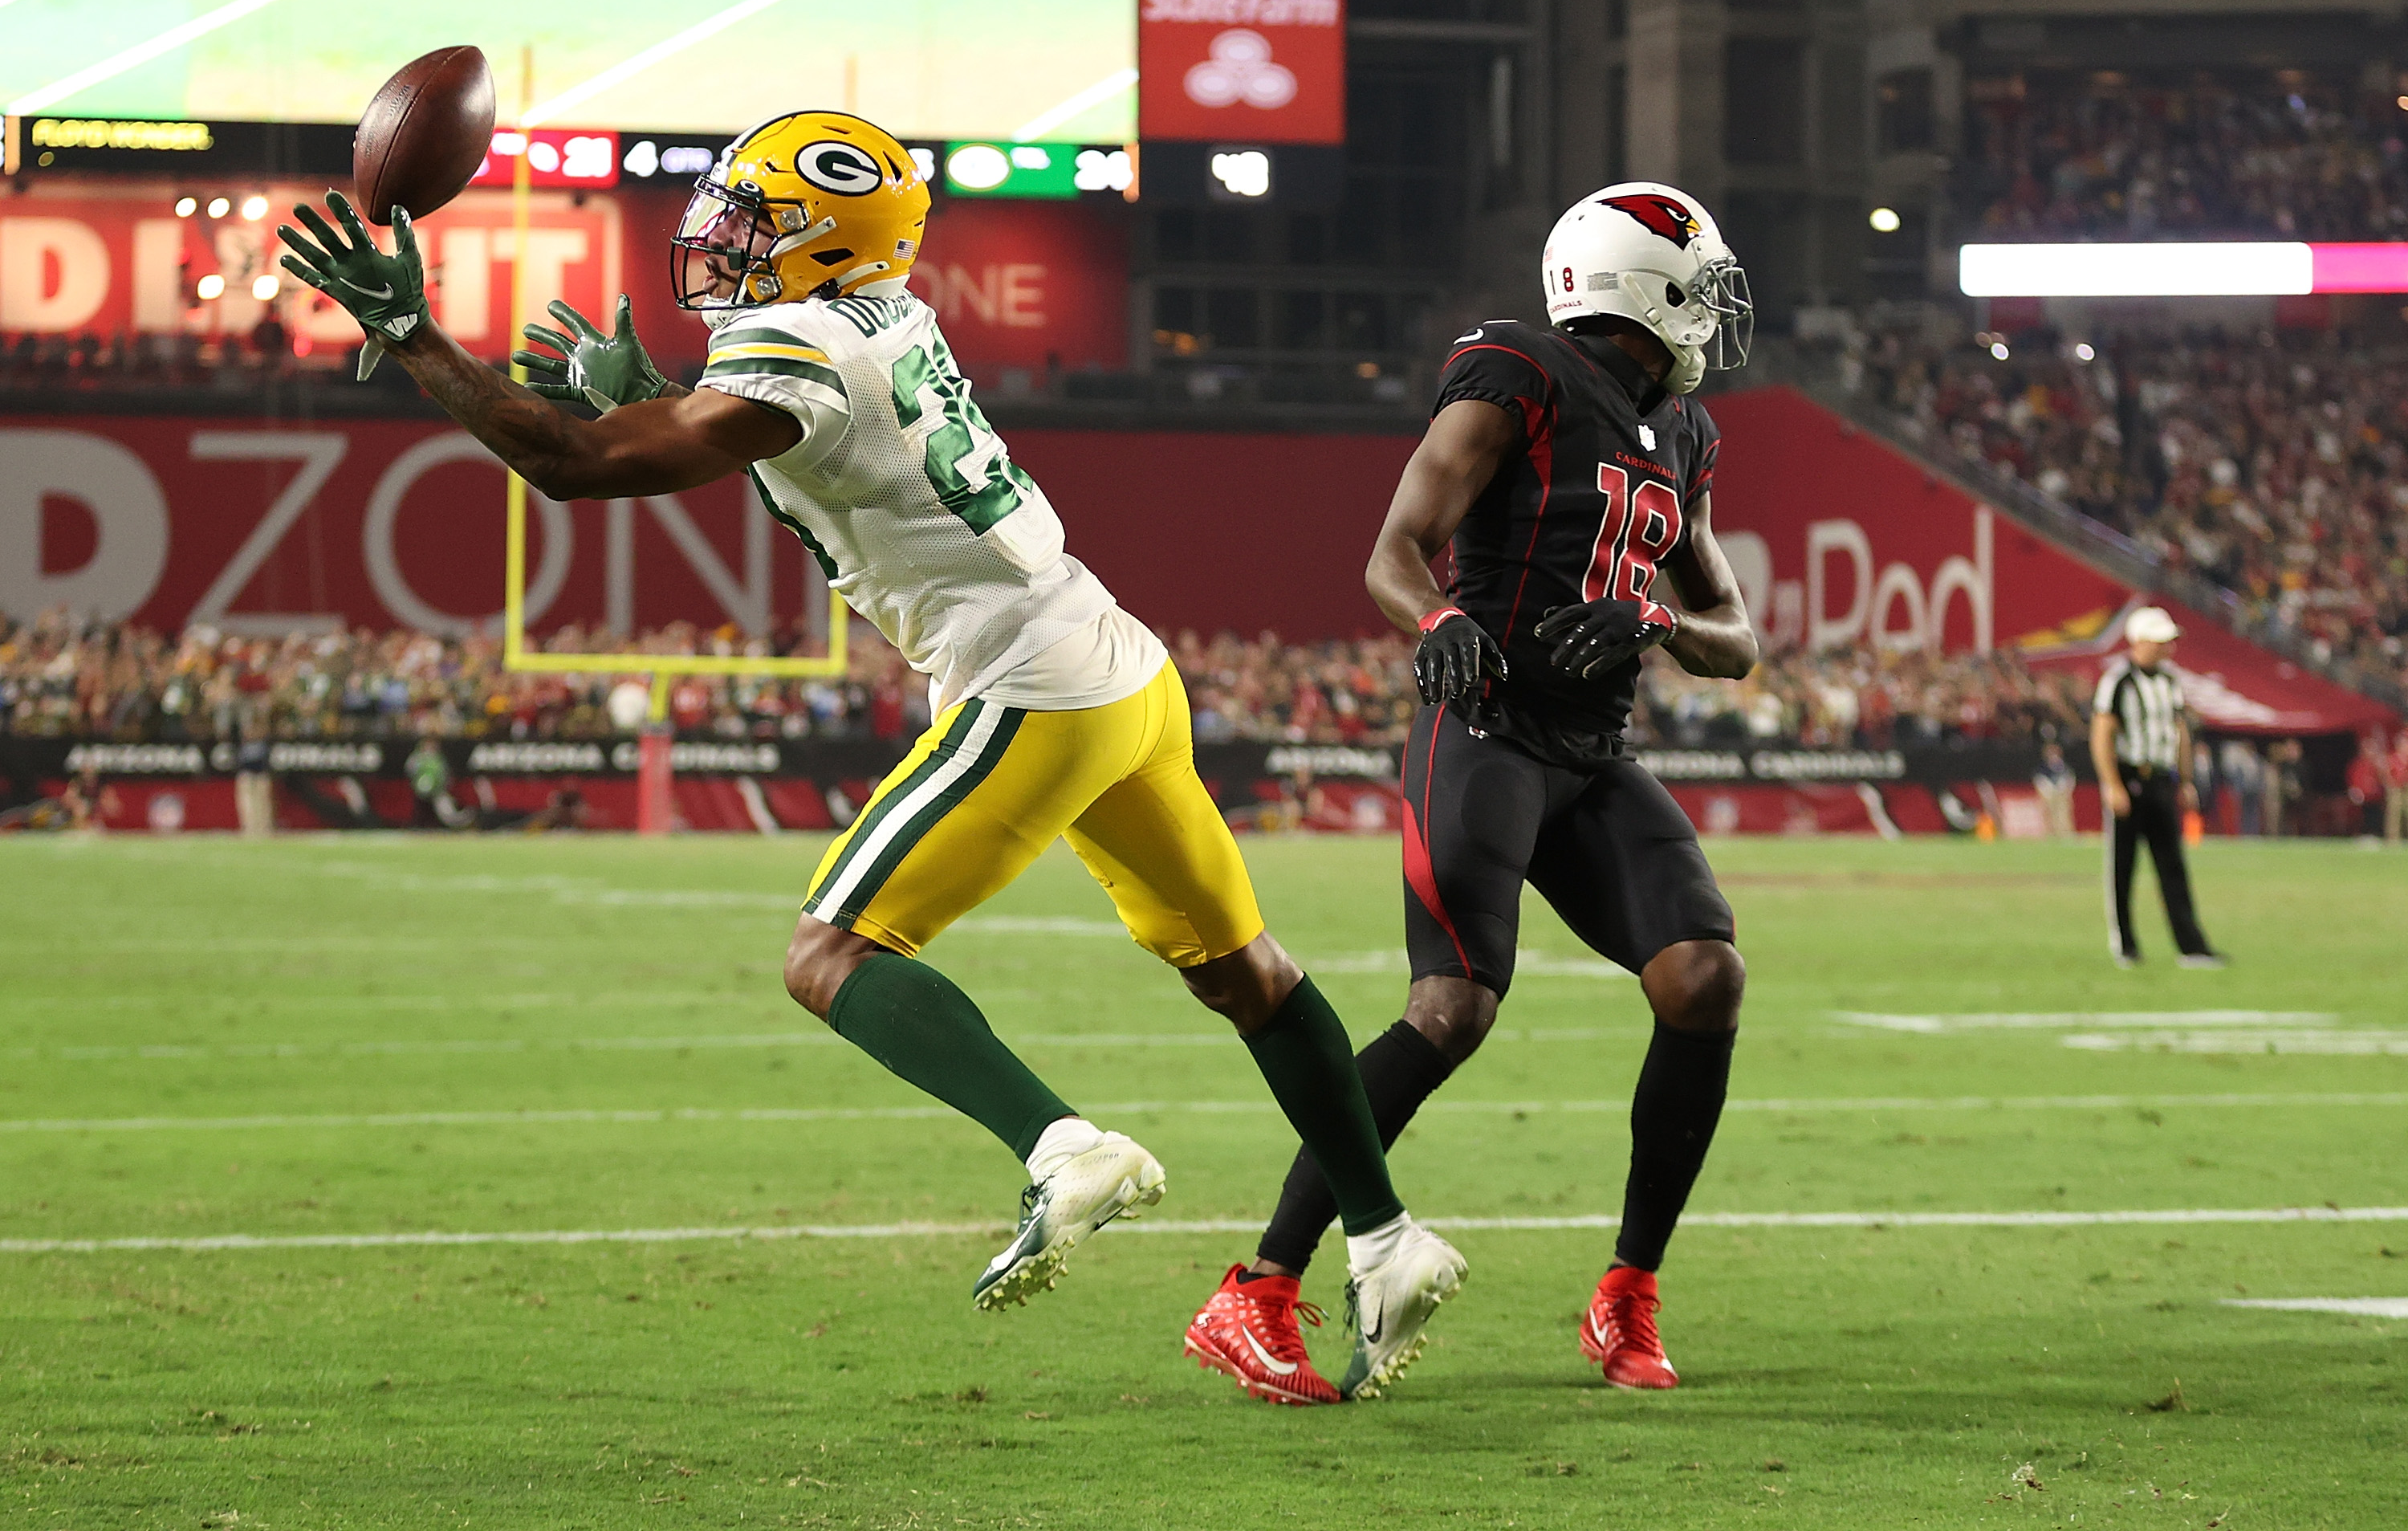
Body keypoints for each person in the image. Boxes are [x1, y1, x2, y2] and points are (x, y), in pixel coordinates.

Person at [276, 111, 1462, 1394]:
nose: (721, 240)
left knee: (830, 956)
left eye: (755, 222)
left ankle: (1065, 1147)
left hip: (1032, 681)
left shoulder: (803, 342)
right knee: (1251, 975)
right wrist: (662, 402)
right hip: (1115, 659)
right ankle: (1387, 1236)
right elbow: (813, 448)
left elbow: (567, 465)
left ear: (827, 244)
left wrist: (414, 336)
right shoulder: (874, 313)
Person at [1183, 181, 1757, 1403]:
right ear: (1636, 287)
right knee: (1451, 1007)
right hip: (1488, 725)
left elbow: (1736, 636)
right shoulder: (1519, 376)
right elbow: (1393, 551)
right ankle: (1258, 1288)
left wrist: (1649, 612)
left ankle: (1629, 1293)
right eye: (1699, 283)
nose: (1714, 312)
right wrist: (1441, 618)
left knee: (1704, 976)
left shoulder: (1686, 432)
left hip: (1593, 756)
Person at [2089, 607, 2221, 967]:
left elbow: (2179, 731)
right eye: (2161, 641)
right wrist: (2112, 784)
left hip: (2162, 780)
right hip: (2130, 777)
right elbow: (2102, 733)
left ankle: (2191, 946)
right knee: (2123, 867)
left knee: (2173, 866)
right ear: (2140, 641)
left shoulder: (2169, 681)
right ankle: (2126, 945)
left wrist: (2186, 778)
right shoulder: (2118, 681)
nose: (2168, 648)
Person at [2034, 738, 2077, 840]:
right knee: (2048, 812)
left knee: (2064, 813)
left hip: (2062, 793)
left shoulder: (2064, 766)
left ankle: (2066, 833)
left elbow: (2070, 777)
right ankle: (2050, 834)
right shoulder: (2043, 767)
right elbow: (2038, 778)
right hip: (2049, 794)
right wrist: (2046, 789)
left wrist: (2065, 788)